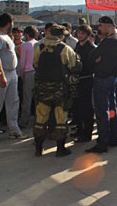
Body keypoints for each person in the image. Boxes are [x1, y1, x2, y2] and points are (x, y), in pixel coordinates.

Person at [33, 24, 82, 157]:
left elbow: (35, 65)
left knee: (41, 118)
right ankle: (60, 149)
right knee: (61, 119)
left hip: (42, 89)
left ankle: (38, 148)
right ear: (61, 35)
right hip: (60, 89)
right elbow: (75, 66)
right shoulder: (65, 49)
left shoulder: (40, 47)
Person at [0, 13, 27, 143]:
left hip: (12, 73)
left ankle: (14, 129)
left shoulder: (6, 36)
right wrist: (1, 75)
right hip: (2, 73)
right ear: (9, 23)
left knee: (13, 102)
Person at [87, 16, 117, 153]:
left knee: (102, 112)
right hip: (113, 78)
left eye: (101, 26)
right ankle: (113, 136)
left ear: (108, 25)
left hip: (102, 78)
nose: (100, 29)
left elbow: (92, 56)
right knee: (112, 109)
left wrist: (98, 59)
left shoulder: (108, 41)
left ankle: (102, 142)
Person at [73, 24, 96, 142]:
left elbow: (90, 66)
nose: (80, 35)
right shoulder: (77, 45)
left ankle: (87, 133)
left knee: (86, 108)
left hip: (86, 80)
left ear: (87, 35)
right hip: (77, 80)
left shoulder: (91, 48)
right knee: (78, 107)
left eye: (82, 33)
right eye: (79, 33)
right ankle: (79, 130)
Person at [18, 26, 38, 128]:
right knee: (37, 99)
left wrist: (21, 75)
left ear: (26, 34)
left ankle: (23, 120)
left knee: (27, 99)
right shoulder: (38, 44)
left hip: (28, 72)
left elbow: (22, 63)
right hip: (37, 72)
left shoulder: (25, 45)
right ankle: (38, 120)